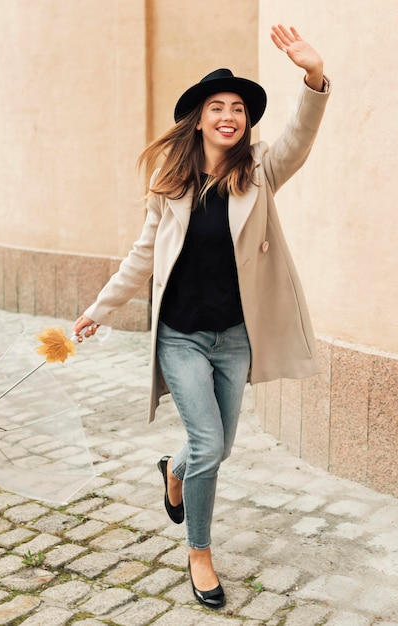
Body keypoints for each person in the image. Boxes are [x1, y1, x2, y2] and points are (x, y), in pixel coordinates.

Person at [73, 24, 330, 610]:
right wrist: (98, 309)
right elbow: (143, 257)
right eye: (217, 107)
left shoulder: (260, 171)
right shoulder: (169, 187)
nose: (229, 116)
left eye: (238, 108)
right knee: (210, 444)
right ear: (198, 119)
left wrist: (314, 77)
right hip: (182, 338)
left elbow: (299, 135)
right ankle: (200, 551)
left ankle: (173, 470)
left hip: (235, 338)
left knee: (216, 447)